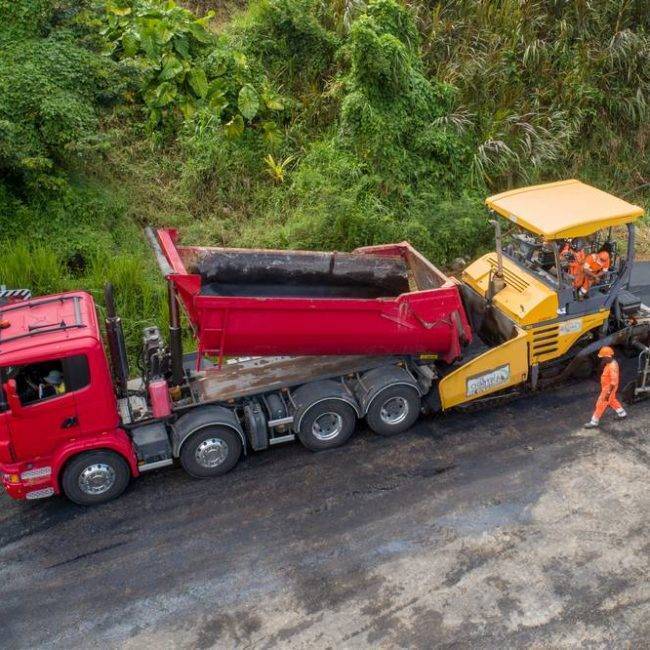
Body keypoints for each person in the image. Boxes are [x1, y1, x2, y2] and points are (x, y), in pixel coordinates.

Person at [584, 346, 627, 428]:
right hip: (608, 388)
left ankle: (594, 421)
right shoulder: (611, 363)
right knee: (612, 400)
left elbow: (613, 382)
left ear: (607, 357)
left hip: (609, 388)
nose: (602, 359)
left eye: (603, 358)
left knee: (601, 403)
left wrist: (608, 393)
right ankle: (622, 413)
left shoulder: (612, 367)